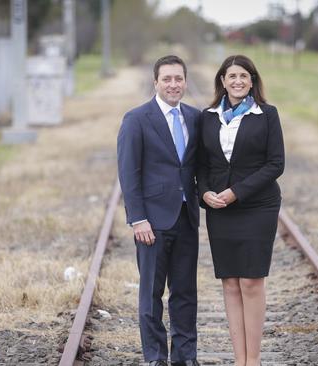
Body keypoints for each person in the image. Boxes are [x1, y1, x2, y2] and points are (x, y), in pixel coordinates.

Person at [197, 55, 284, 366]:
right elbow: (201, 165)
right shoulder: (206, 117)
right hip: (219, 209)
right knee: (230, 282)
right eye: (231, 76)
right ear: (222, 80)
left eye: (243, 76)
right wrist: (204, 192)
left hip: (258, 206)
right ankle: (239, 360)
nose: (237, 81)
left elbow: (276, 164)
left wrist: (238, 192)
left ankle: (254, 360)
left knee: (251, 280)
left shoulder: (267, 115)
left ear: (252, 81)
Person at [117, 55, 201, 366]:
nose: (173, 84)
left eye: (178, 78)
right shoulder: (137, 119)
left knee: (185, 294)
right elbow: (129, 173)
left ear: (185, 82)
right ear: (156, 83)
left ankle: (185, 358)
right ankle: (155, 358)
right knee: (151, 296)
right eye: (167, 79)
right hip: (152, 221)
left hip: (186, 217)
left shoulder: (194, 117)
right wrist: (138, 219)